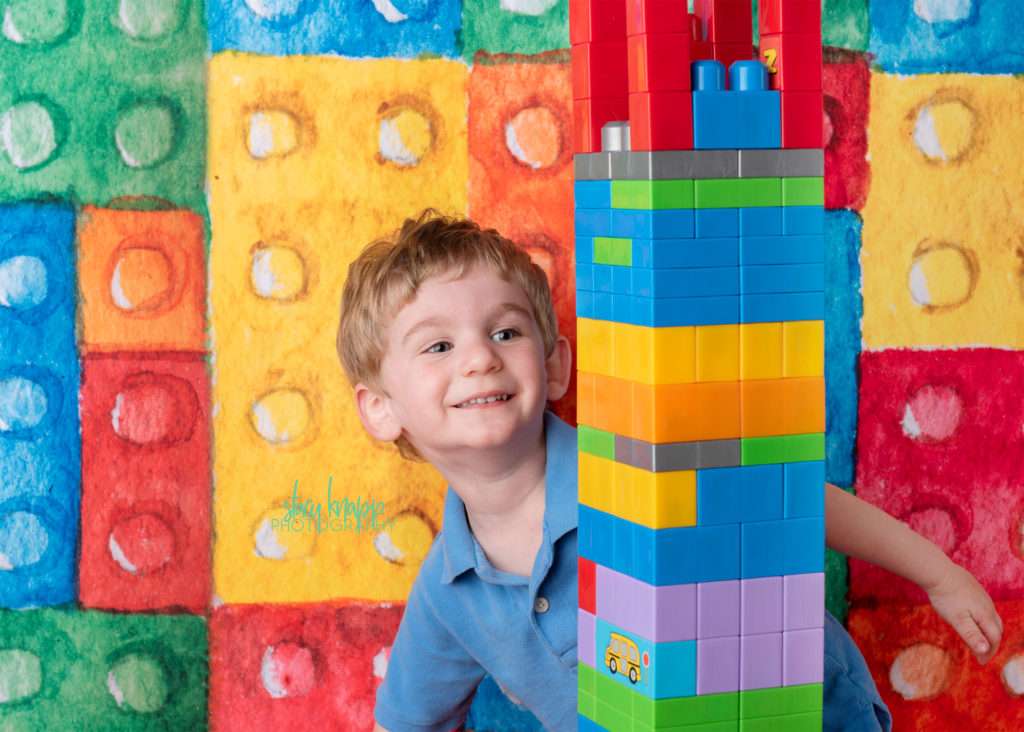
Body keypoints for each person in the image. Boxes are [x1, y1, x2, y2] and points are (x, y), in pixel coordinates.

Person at [335, 209, 1003, 732]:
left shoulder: (638, 465)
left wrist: (939, 574)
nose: (479, 357)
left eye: (505, 332)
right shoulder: (450, 592)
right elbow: (407, 718)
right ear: (381, 409)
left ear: (557, 365)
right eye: (440, 345)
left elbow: (793, 498)